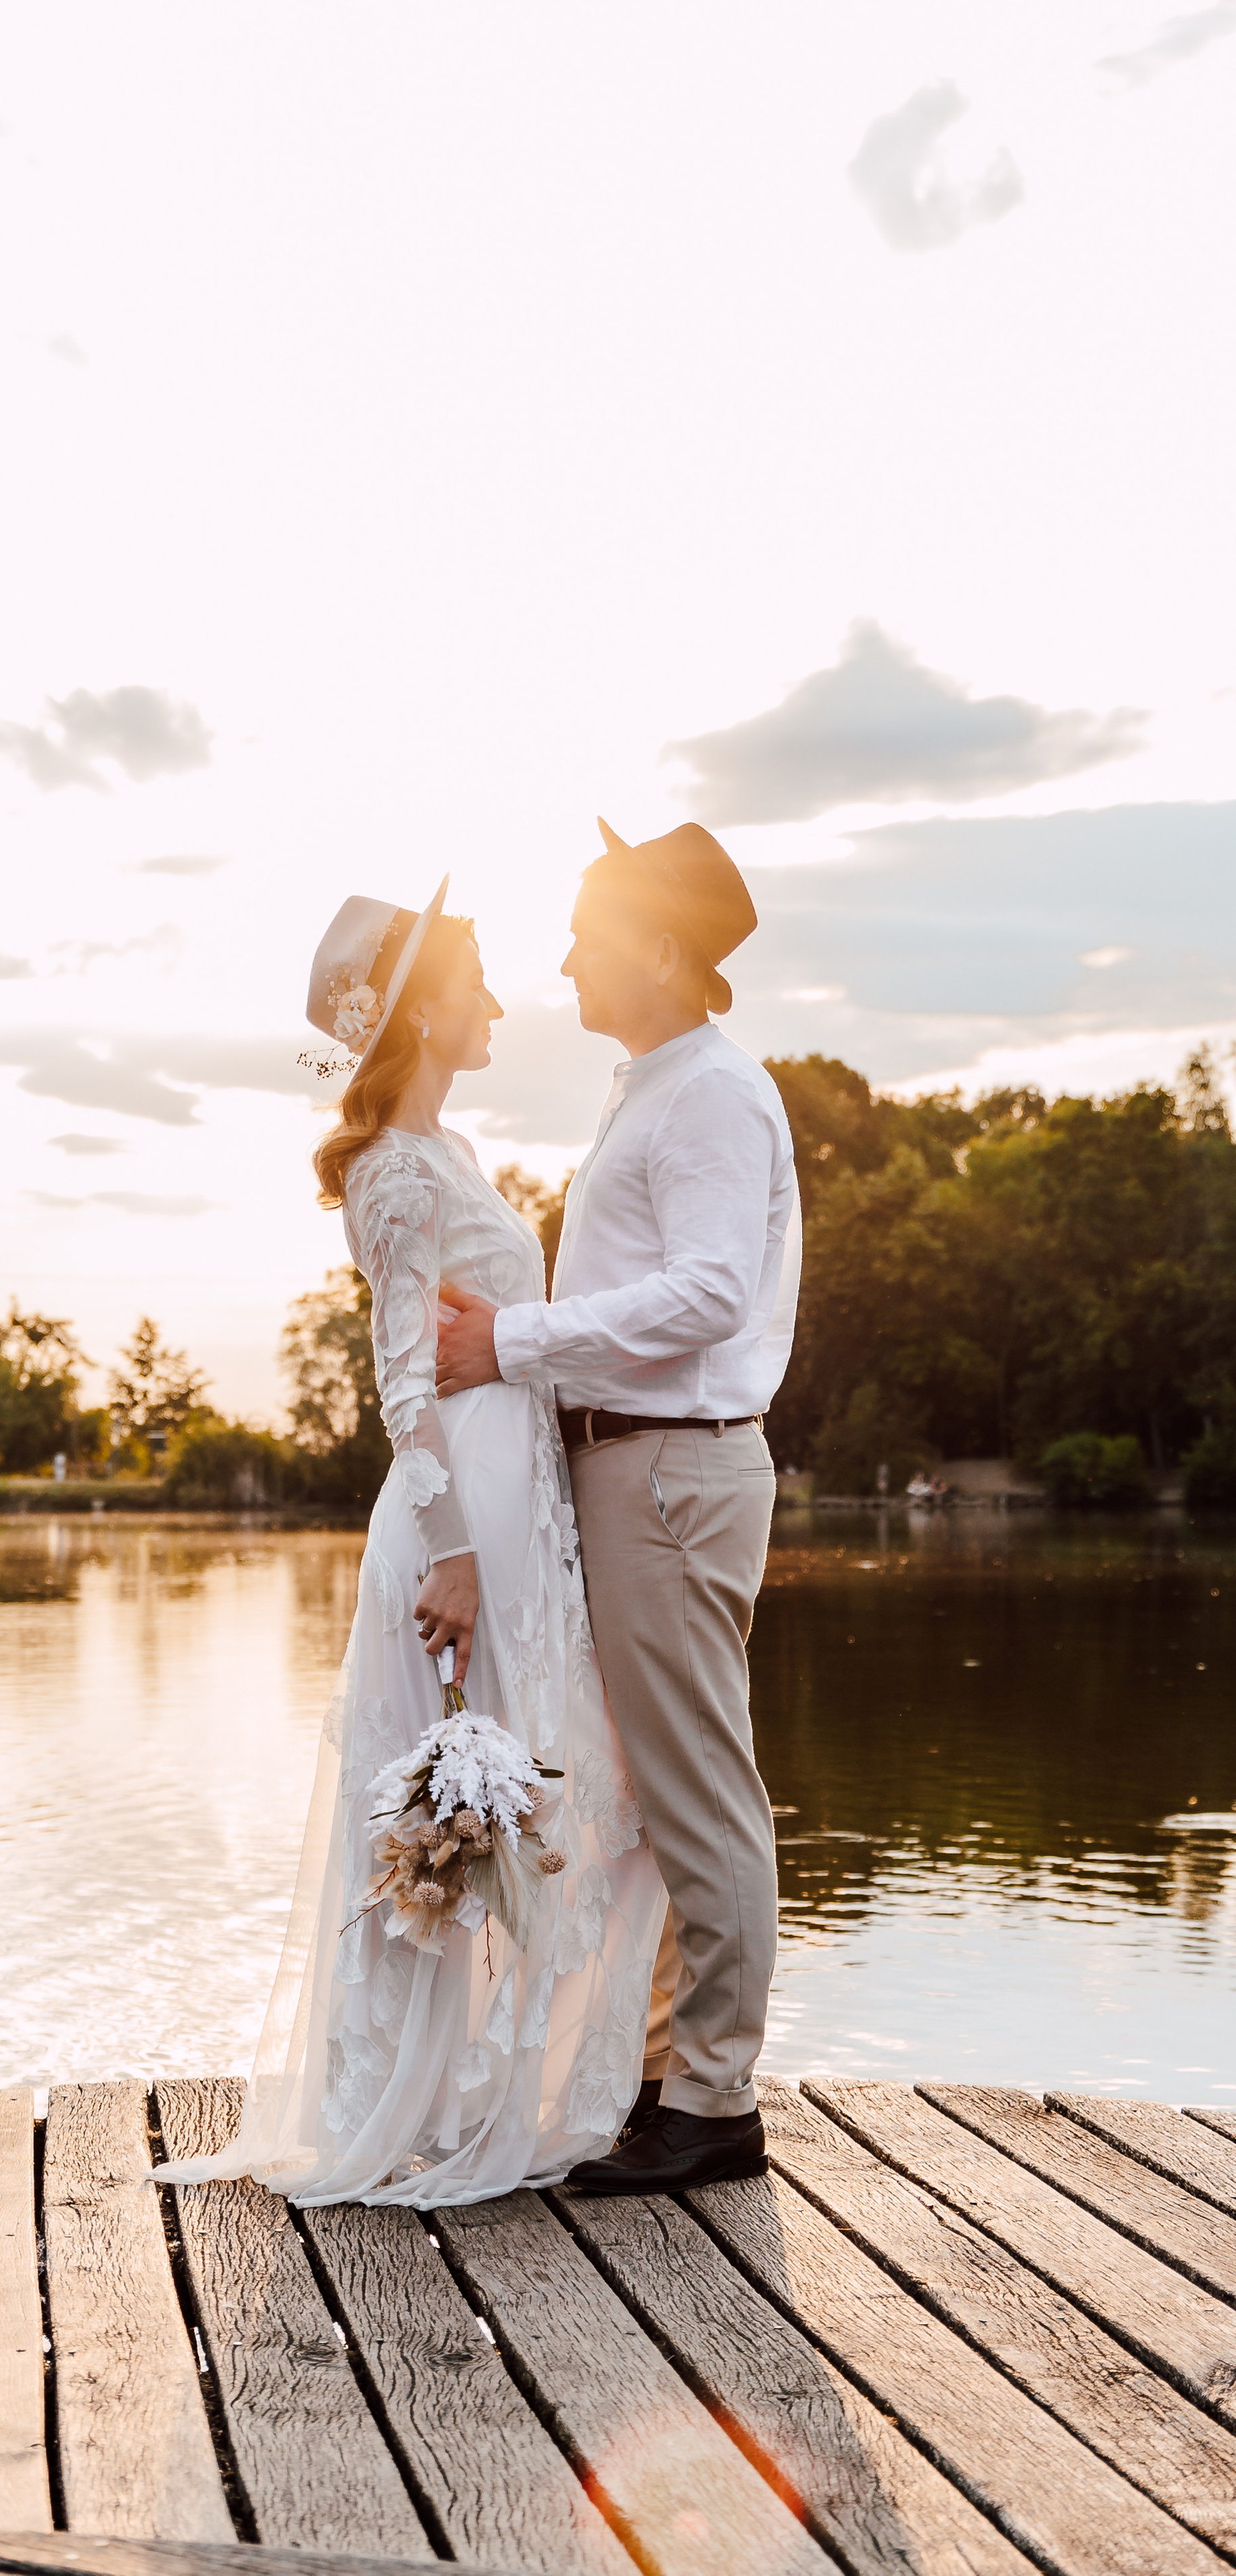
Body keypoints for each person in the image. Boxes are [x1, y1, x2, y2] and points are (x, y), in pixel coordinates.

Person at [152, 877, 665, 2206]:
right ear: (424, 1012)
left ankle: (487, 2087)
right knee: (446, 1799)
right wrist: (448, 1552)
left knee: (523, 1792)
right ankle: (398, 2095)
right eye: (477, 981)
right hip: (459, 1524)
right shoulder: (388, 1172)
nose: (497, 1000)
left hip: (517, 1501)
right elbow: (401, 1381)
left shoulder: (454, 1157)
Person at [436, 818, 799, 2193]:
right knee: (653, 1784)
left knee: (697, 1787)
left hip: (669, 1468)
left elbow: (709, 1294)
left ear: (657, 947)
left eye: (589, 933)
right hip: (634, 1468)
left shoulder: (707, 1095)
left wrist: (511, 1346)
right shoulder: (651, 1086)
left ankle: (711, 2101)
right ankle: (663, 2076)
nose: (568, 957)